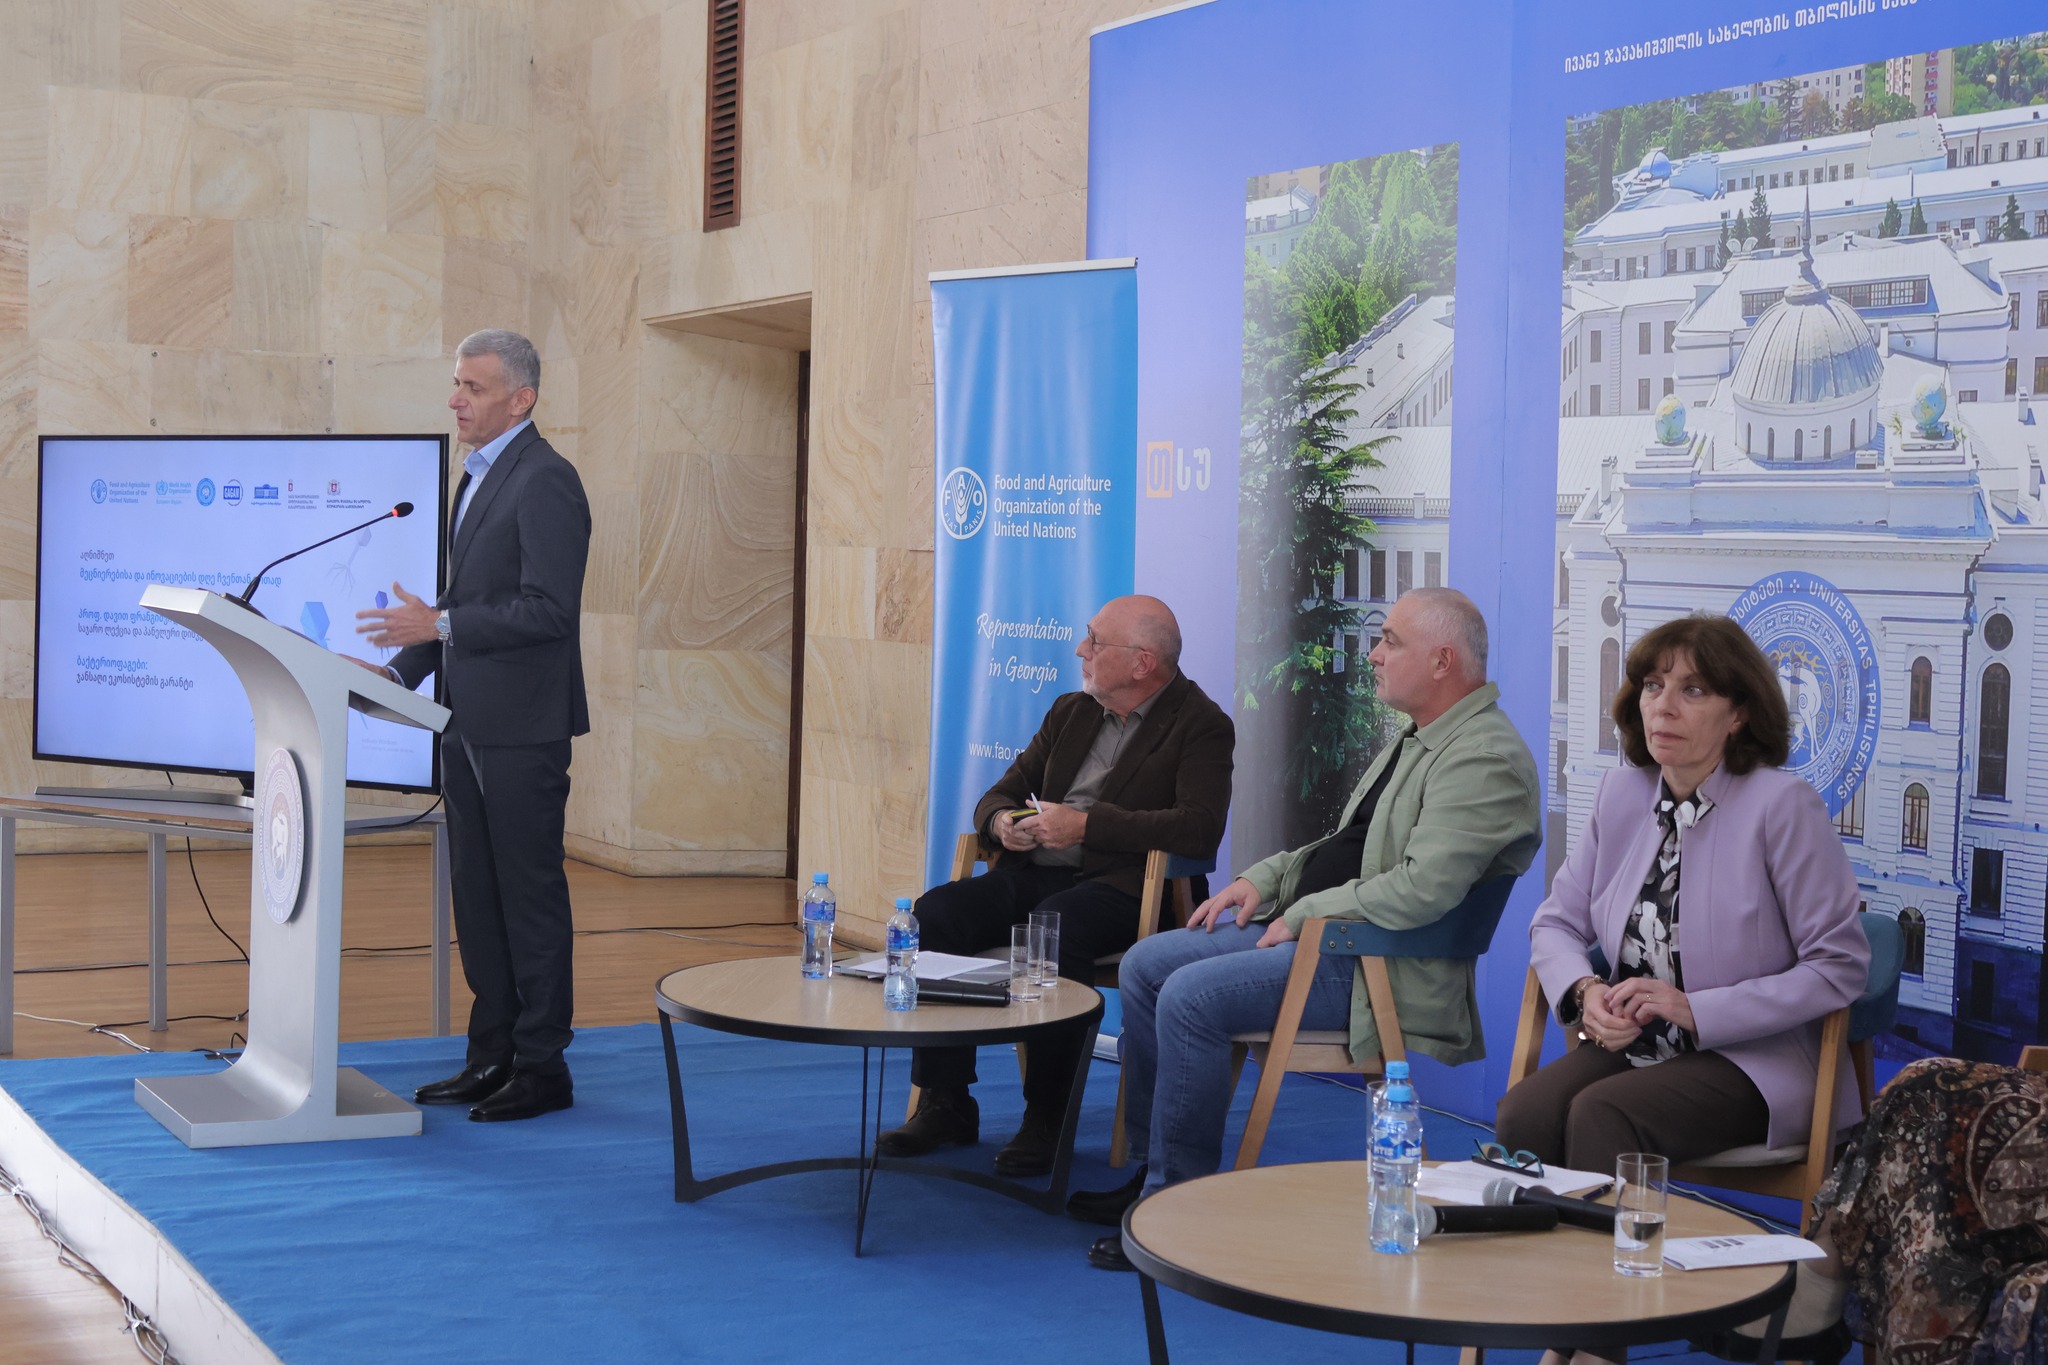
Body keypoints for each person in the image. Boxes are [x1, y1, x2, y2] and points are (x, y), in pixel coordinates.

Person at [1071, 586, 1541, 1271]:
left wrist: (1303, 913)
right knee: (1146, 965)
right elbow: (1347, 848)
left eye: (1390, 641)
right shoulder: (1422, 736)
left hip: (1378, 966)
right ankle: (1153, 1171)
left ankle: (1178, 1208)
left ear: (1442, 661)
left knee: (1190, 998)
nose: (1374, 654)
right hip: (1331, 938)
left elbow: (1421, 890)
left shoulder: (1484, 758)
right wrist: (1264, 879)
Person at [1494, 613, 1869, 1182]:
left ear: (1739, 714)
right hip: (1642, 1047)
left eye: (1692, 690)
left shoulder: (1784, 807)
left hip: (1754, 1061)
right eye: (1653, 686)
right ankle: (1545, 1242)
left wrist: (1697, 1010)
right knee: (1525, 1113)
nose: (1663, 707)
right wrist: (1586, 990)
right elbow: (1555, 924)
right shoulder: (1621, 793)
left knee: (1602, 1113)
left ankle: (1616, 1244)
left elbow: (1838, 966)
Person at [874, 595, 1234, 1177]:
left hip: (1125, 889)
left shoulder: (1201, 725)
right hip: (1034, 873)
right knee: (935, 913)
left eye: (1095, 640)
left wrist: (1087, 826)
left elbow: (1198, 827)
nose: (1080, 649)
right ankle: (946, 1102)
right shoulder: (1071, 711)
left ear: (1142, 662)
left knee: (1055, 928)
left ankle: (1047, 1117)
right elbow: (999, 794)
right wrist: (1002, 824)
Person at [354, 328, 591, 1124]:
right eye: (456, 384)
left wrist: (441, 624)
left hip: (522, 730)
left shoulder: (547, 480)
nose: (455, 400)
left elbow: (549, 610)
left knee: (527, 897)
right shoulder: (477, 478)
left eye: (473, 388)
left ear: (521, 400)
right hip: (465, 722)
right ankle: (491, 1053)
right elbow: (459, 607)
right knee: (479, 899)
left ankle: (542, 1064)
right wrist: (398, 672)